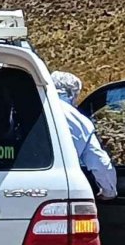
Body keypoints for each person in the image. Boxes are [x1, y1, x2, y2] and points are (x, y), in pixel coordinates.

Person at [50, 71, 118, 200]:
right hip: (59, 189)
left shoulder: (26, 110)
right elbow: (100, 163)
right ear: (73, 94)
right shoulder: (79, 122)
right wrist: (109, 192)